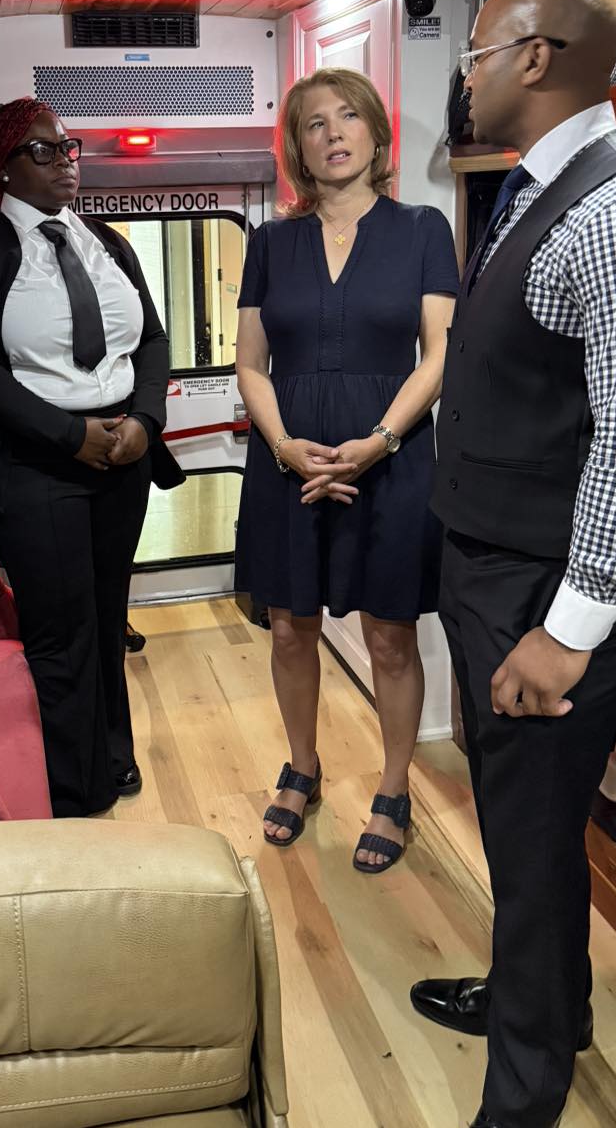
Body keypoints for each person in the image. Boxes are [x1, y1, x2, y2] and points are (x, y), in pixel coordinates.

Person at [411, 0, 616, 1128]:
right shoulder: (540, 187)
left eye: (476, 54)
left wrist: (567, 631)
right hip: (502, 568)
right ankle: (549, 1008)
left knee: (538, 846)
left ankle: (524, 1096)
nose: (467, 76)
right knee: (519, 831)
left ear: (535, 59)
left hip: (552, 594)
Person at [0, 97, 178, 818]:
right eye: (44, 150)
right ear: (2, 167)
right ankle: (73, 788)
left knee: (105, 616)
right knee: (60, 631)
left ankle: (113, 753)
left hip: (122, 457)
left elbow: (152, 341)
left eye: (69, 147)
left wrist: (146, 420)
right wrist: (71, 436)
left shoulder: (107, 241)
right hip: (35, 464)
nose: (66, 160)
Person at [234, 66, 458, 871]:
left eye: (347, 117)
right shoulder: (268, 243)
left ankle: (394, 787)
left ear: (374, 131)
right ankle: (303, 765)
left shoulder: (424, 228)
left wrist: (381, 440)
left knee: (389, 636)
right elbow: (251, 364)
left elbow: (438, 356)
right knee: (291, 626)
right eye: (313, 124)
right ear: (296, 147)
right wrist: (288, 445)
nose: (332, 133)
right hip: (286, 462)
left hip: (391, 463)